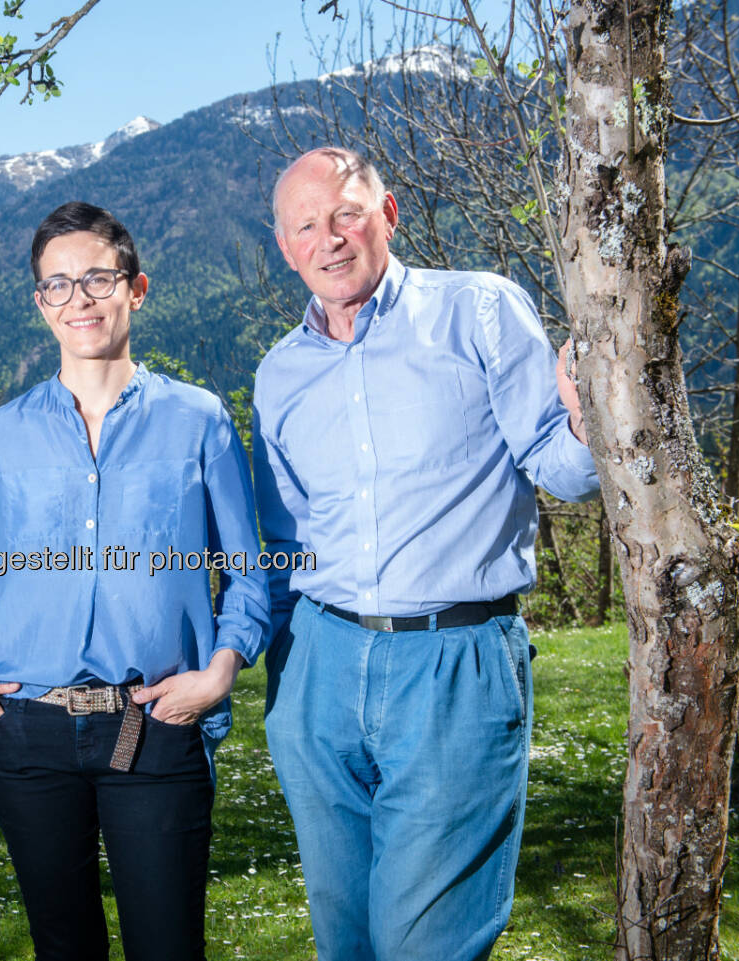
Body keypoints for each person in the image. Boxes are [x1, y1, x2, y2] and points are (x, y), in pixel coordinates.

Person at [253, 147, 600, 961]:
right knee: (347, 943)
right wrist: (282, 684)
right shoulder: (279, 372)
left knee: (428, 944)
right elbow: (283, 539)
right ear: (285, 246)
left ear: (389, 214)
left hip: (455, 663)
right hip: (318, 666)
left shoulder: (478, 310)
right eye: (308, 225)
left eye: (347, 214)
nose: (331, 239)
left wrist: (593, 416)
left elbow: (564, 466)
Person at [0, 201, 270, 961]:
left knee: (167, 945)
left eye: (96, 279)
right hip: (24, 728)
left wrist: (221, 670)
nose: (78, 300)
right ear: (39, 303)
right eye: (57, 285)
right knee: (63, 944)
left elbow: (249, 573)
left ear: (136, 289)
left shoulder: (200, 420)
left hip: (156, 721)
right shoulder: (2, 434)